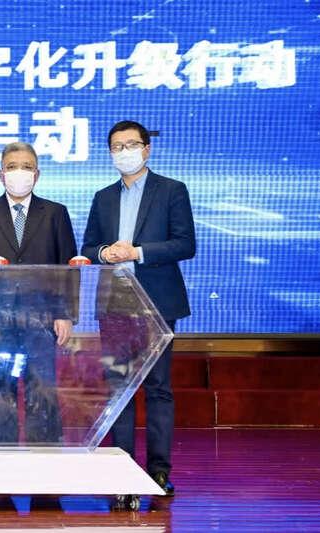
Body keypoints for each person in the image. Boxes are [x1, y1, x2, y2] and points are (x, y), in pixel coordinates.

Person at [82, 120, 196, 498]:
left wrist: (138, 252)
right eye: (117, 147)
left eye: (131, 145)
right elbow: (88, 247)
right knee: (120, 389)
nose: (124, 152)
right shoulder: (103, 197)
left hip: (158, 303)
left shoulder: (171, 190)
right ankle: (123, 471)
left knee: (158, 388)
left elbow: (185, 244)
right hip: (115, 303)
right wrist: (105, 253)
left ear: (147, 149)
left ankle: (159, 471)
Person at [0, 141, 78, 445]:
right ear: (1, 174)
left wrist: (66, 314)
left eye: (26, 167)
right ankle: (1, 463)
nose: (19, 172)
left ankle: (45, 461)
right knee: (0, 396)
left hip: (42, 319)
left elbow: (68, 267)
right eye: (12, 167)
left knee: (43, 393)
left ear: (37, 174)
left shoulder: (55, 213)